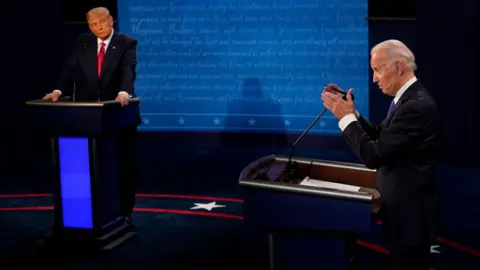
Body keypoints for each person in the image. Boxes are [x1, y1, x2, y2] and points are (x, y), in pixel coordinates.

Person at [321, 39, 439, 270]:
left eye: (378, 69)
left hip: (410, 218)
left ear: (399, 67)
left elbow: (374, 155)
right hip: (401, 212)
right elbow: (380, 136)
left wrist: (346, 119)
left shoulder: (416, 106)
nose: (374, 78)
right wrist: (352, 113)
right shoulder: (407, 99)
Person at [43, 7, 140, 223]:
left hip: (117, 115)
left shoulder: (126, 42)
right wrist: (58, 91)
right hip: (86, 117)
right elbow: (70, 69)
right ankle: (90, 213)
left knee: (123, 165)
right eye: (94, 25)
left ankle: (124, 213)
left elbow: (128, 69)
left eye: (102, 23)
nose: (99, 28)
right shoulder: (84, 42)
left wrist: (124, 91)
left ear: (111, 21)